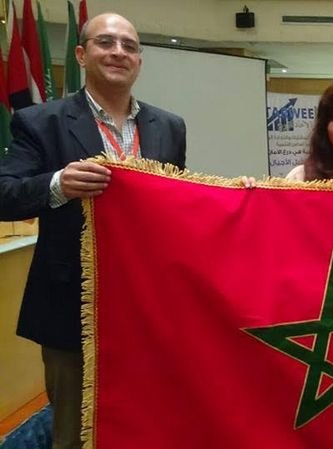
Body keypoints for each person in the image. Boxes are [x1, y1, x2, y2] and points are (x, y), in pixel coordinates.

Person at [0, 13, 186, 449]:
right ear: (82, 55)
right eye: (106, 42)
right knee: (73, 430)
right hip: (71, 309)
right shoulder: (40, 121)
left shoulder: (169, 126)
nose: (119, 52)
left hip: (148, 308)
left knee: (146, 422)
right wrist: (56, 184)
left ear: (139, 61)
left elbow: (177, 202)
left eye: (129, 46)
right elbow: (4, 194)